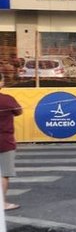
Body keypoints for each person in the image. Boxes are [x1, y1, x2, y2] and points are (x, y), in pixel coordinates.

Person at [0, 74, 23, 210]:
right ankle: (2, 203)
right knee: (5, 173)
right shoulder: (7, 100)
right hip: (5, 141)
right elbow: (19, 112)